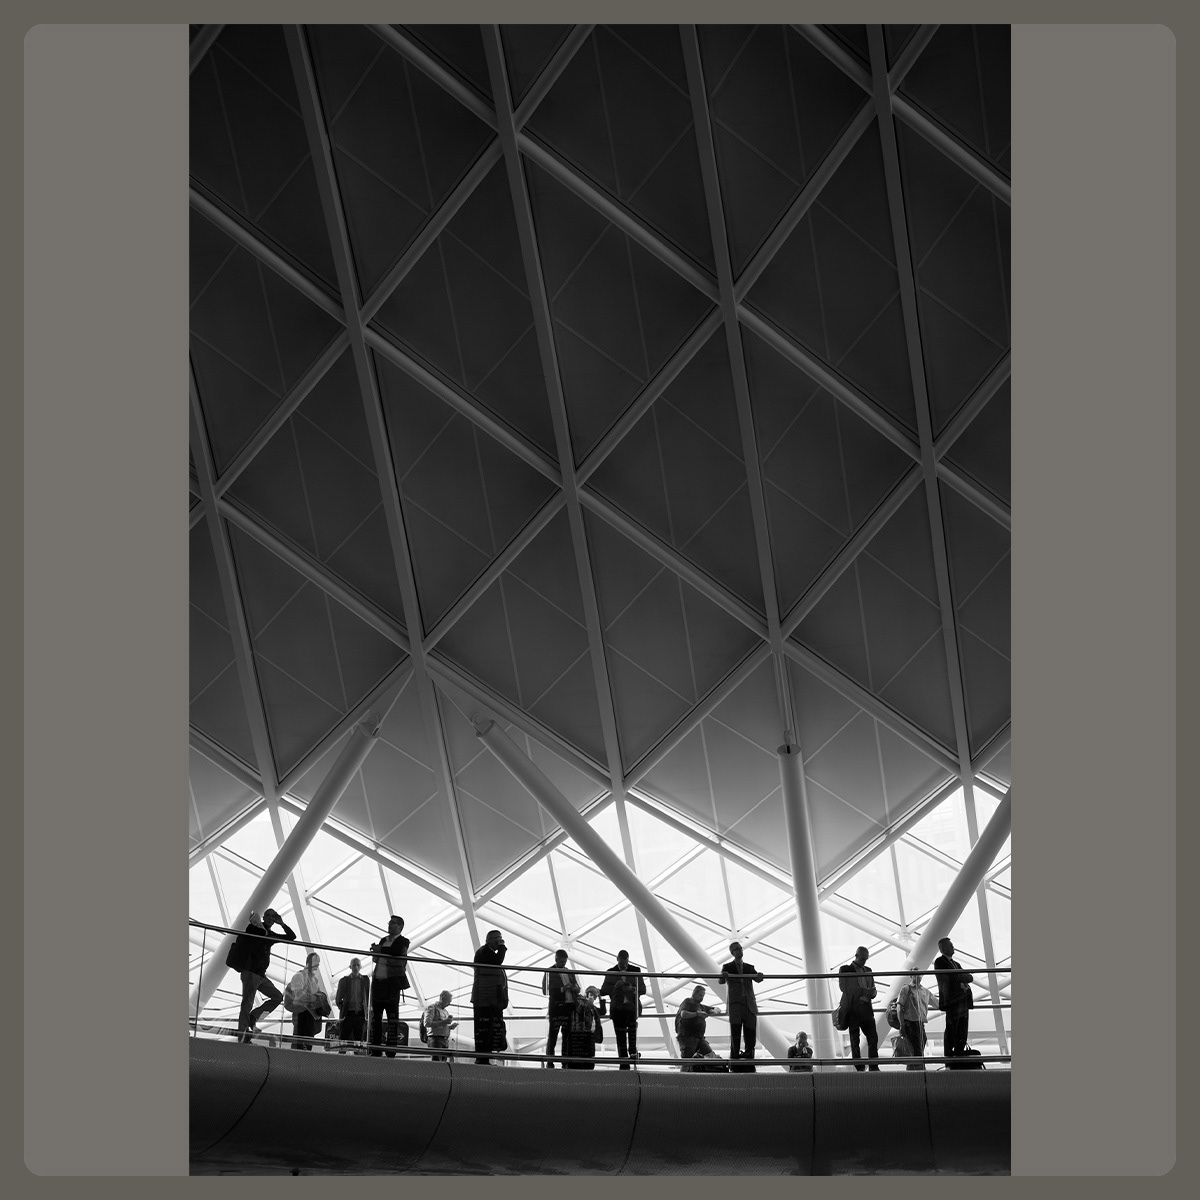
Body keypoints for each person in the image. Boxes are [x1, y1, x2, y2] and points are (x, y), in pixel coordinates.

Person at [233, 908, 296, 1043]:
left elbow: (292, 937)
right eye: (267, 915)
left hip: (260, 976)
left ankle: (253, 1018)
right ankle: (242, 1037)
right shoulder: (254, 928)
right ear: (263, 917)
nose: (270, 918)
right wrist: (262, 928)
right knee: (247, 1003)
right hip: (250, 972)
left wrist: (282, 924)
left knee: (277, 997)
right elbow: (253, 934)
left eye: (273, 917)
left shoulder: (270, 934)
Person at [368, 915, 410, 1058]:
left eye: (392, 923)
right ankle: (375, 1049)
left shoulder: (403, 941)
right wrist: (378, 950)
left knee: (392, 1018)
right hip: (378, 982)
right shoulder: (383, 940)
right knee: (376, 1018)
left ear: (400, 926)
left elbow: (397, 952)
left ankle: (391, 1050)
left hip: (391, 984)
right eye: (389, 923)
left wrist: (380, 950)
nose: (389, 925)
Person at [719, 941, 764, 1072]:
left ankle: (749, 1061)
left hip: (749, 1005)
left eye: (740, 948)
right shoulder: (727, 967)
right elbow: (721, 980)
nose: (740, 951)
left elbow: (757, 978)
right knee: (735, 1035)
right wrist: (724, 976)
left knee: (750, 1034)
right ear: (732, 952)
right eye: (737, 949)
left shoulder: (749, 967)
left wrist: (760, 976)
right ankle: (734, 1062)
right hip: (736, 1006)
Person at [600, 949, 647, 1070]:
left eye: (625, 964)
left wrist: (632, 990)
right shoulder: (611, 972)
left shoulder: (636, 971)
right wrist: (618, 989)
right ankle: (624, 1063)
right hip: (618, 1009)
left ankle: (632, 1056)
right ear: (617, 960)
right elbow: (604, 990)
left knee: (631, 1035)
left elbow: (643, 989)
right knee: (620, 1037)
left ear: (628, 960)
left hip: (630, 1008)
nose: (624, 966)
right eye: (622, 964)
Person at [838, 946, 880, 1071]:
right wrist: (865, 991)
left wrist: (871, 993)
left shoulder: (868, 970)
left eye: (866, 959)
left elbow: (873, 989)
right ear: (856, 956)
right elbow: (845, 988)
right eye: (862, 958)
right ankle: (859, 1068)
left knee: (873, 1037)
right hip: (853, 1009)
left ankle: (874, 1066)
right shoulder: (845, 969)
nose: (864, 961)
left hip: (866, 1008)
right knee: (854, 1039)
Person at [933, 937, 974, 1060]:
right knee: (952, 1026)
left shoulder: (956, 964)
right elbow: (946, 979)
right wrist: (959, 983)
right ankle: (949, 1053)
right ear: (943, 948)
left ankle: (959, 1050)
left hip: (961, 1000)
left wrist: (960, 980)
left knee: (962, 1026)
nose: (953, 947)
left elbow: (969, 977)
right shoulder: (940, 962)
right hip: (952, 1000)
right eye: (950, 945)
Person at [471, 929, 508, 1065]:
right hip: (484, 997)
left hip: (488, 997)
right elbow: (498, 961)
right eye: (498, 939)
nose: (499, 941)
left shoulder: (486, 952)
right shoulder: (485, 952)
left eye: (501, 939)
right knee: (484, 1029)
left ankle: (484, 1057)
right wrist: (503, 947)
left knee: (487, 1029)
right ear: (490, 939)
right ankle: (482, 1058)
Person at [541, 949, 580, 1068]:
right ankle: (550, 1061)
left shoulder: (569, 972)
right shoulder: (550, 972)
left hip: (568, 1006)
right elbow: (546, 990)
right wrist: (563, 989)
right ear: (556, 959)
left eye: (565, 962)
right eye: (562, 961)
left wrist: (575, 988)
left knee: (567, 1035)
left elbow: (578, 988)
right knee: (553, 1035)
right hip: (557, 1007)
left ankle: (565, 1060)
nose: (563, 964)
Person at [284, 951, 331, 1050]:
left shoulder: (314, 979)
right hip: (301, 1013)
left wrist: (317, 998)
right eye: (316, 963)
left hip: (311, 1015)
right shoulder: (299, 976)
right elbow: (298, 997)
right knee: (299, 1043)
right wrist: (315, 998)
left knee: (308, 1043)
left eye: (318, 964)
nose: (317, 966)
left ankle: (304, 1062)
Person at [896, 970, 936, 1070]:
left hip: (920, 1024)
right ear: (911, 976)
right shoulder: (906, 989)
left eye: (919, 974)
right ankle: (920, 1071)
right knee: (916, 1050)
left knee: (918, 1048)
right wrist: (902, 1025)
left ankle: (915, 1071)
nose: (917, 976)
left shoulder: (925, 992)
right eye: (915, 974)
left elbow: (937, 1003)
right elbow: (899, 1007)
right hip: (910, 1024)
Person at [675, 985, 720, 1069]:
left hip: (698, 1037)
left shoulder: (701, 1006)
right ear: (694, 994)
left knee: (709, 1054)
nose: (701, 998)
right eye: (700, 995)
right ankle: (683, 1078)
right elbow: (683, 1014)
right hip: (687, 1037)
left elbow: (713, 1009)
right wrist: (698, 1014)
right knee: (687, 1060)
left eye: (703, 996)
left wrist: (715, 1010)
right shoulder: (688, 1002)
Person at [563, 986, 606, 1070]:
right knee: (582, 1059)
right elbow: (580, 1009)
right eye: (593, 996)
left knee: (588, 1059)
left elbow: (603, 1011)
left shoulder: (592, 1008)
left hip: (588, 1036)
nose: (594, 999)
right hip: (581, 1036)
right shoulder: (581, 1003)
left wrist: (601, 998)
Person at [335, 957, 369, 1048]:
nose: (356, 967)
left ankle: (356, 1061)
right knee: (343, 1041)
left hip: (360, 1015)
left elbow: (368, 996)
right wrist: (343, 1008)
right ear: (350, 966)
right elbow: (338, 999)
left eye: (358, 965)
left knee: (358, 1043)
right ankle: (341, 1060)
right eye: (354, 965)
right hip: (347, 1015)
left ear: (361, 967)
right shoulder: (344, 981)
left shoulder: (365, 980)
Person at [423, 990, 458, 1062]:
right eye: (448, 1001)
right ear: (442, 999)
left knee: (443, 1064)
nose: (449, 1004)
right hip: (435, 1039)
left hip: (444, 1040)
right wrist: (444, 1022)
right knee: (437, 1064)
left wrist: (450, 1027)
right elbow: (427, 1023)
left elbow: (442, 1025)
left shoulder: (445, 1011)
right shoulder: (432, 1008)